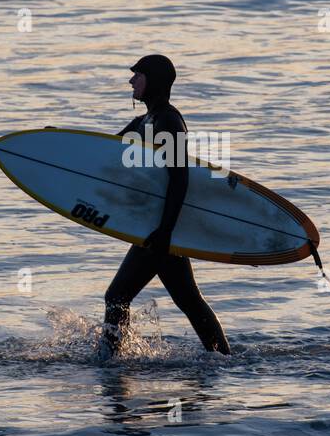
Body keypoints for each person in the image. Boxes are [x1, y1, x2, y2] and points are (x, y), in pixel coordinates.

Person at [94, 54, 231, 359]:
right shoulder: (145, 121)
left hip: (160, 229)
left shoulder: (168, 121)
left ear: (152, 81)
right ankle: (223, 359)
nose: (131, 81)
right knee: (189, 300)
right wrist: (54, 144)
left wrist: (166, 231)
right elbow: (103, 153)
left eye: (137, 75)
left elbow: (179, 179)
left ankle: (109, 362)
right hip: (157, 227)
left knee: (117, 296)